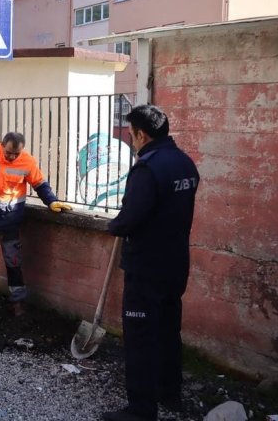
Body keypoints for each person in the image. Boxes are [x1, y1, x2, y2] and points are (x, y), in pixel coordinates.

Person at [103, 105, 200, 421]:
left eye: (131, 135)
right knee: (168, 330)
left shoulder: (148, 168)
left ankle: (141, 409)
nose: (131, 141)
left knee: (141, 336)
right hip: (175, 264)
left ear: (141, 135)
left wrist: (113, 225)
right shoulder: (185, 163)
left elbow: (131, 217)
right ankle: (170, 393)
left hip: (146, 267)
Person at [0, 132, 72, 316]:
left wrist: (51, 201)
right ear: (1, 145)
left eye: (16, 153)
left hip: (10, 219)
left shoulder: (28, 162)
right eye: (9, 153)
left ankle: (18, 300)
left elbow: (40, 184)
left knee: (13, 260)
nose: (12, 157)